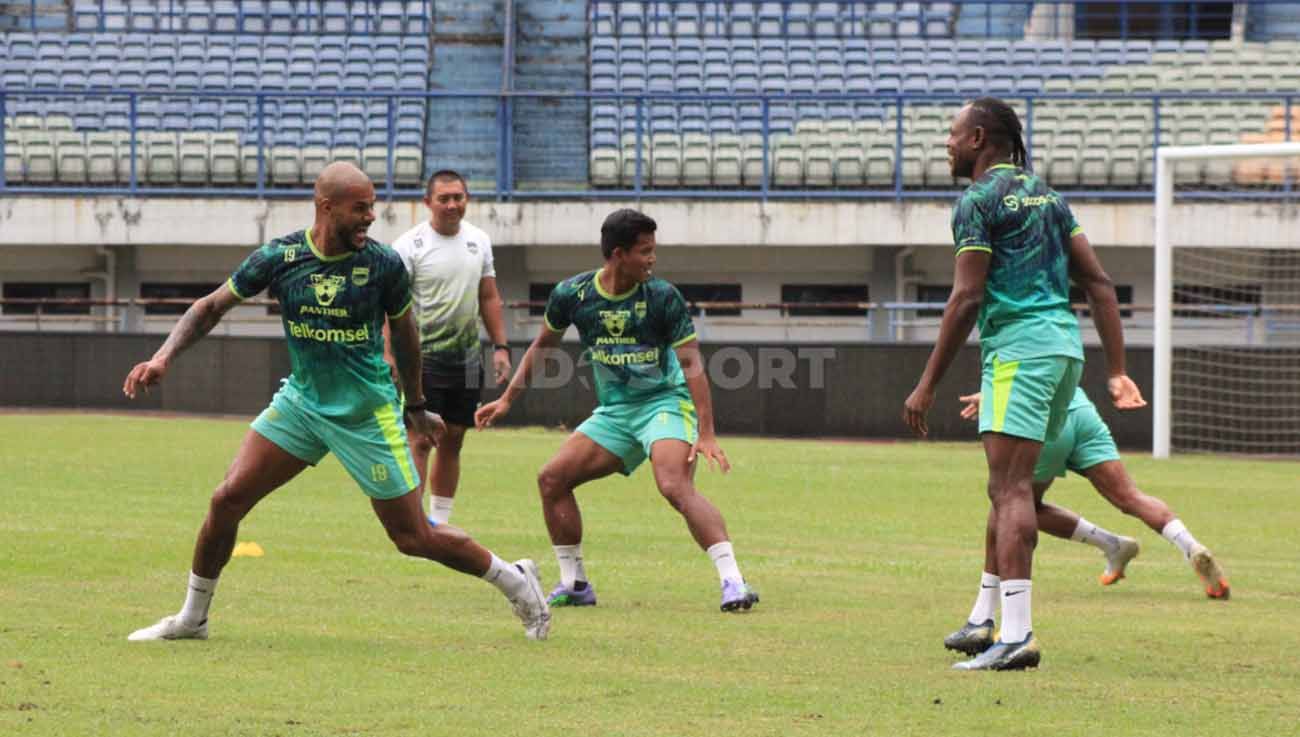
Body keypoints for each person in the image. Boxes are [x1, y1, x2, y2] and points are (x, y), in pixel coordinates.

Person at [121, 162, 550, 643]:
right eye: (360, 207)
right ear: (326, 206)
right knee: (226, 500)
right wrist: (162, 357)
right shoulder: (280, 257)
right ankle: (192, 619)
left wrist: (414, 405)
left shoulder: (383, 264)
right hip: (302, 405)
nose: (370, 217)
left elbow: (407, 337)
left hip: (366, 412)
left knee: (413, 538)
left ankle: (516, 581)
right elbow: (210, 307)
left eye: (372, 206)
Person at [902, 97, 1145, 671]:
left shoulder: (977, 202)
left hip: (1018, 352)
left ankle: (1018, 635)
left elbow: (967, 296)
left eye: (953, 133)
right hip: (1064, 352)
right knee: (1011, 490)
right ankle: (987, 620)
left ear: (979, 138)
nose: (947, 143)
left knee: (1010, 493)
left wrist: (927, 383)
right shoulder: (1049, 196)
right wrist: (1114, 369)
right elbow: (1101, 284)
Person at [474, 208, 760, 613]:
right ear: (618, 253)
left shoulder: (662, 296)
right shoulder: (573, 295)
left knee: (673, 485)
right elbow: (543, 348)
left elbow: (693, 364)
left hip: (665, 402)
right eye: (645, 251)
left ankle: (733, 582)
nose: (652, 259)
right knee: (552, 479)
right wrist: (506, 400)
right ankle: (574, 584)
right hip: (616, 411)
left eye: (653, 250)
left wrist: (707, 432)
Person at [944, 387, 1230, 657]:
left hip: (1042, 418)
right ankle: (1188, 545)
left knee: (1013, 505)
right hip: (1081, 411)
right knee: (1130, 496)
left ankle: (985, 620)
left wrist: (995, 393)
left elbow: (1024, 363)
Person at [388, 169, 511, 526]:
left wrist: (501, 347)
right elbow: (390, 305)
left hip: (468, 359)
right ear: (428, 202)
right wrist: (389, 352)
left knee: (454, 438)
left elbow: (488, 296)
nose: (453, 204)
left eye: (459, 197)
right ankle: (412, 520)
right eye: (444, 198)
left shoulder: (480, 241)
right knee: (421, 438)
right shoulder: (407, 246)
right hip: (421, 360)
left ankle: (439, 521)